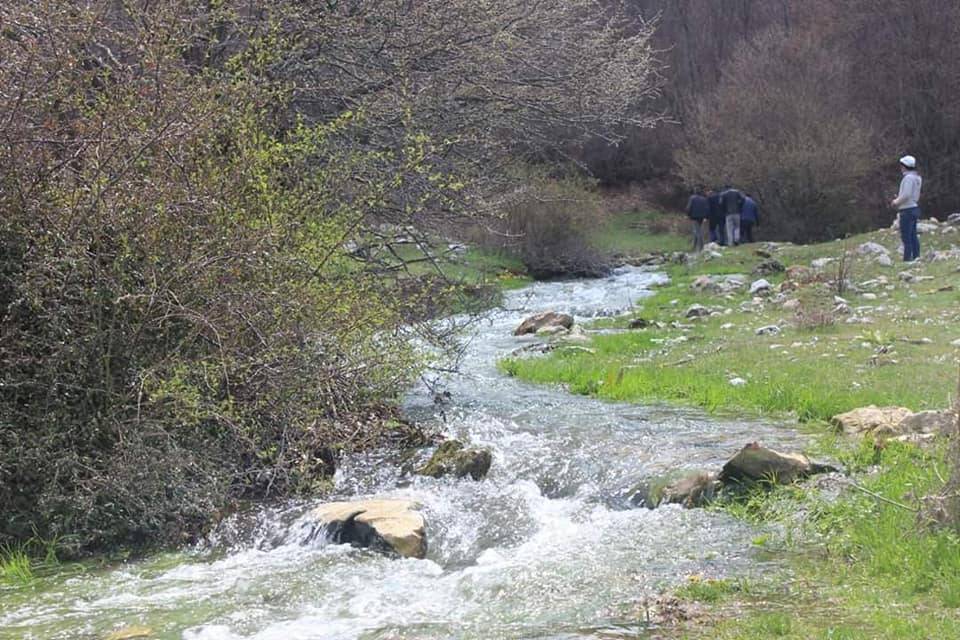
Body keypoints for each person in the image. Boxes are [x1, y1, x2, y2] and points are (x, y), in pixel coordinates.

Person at [890, 155, 922, 262]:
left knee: (906, 237)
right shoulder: (917, 178)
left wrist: (896, 202)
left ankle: (907, 260)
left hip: (907, 210)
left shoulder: (908, 178)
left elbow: (906, 195)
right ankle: (916, 257)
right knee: (913, 235)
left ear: (904, 166)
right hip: (914, 208)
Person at [686, 187, 710, 252]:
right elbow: (707, 208)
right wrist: (706, 216)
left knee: (697, 232)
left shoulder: (692, 198)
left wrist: (688, 215)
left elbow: (689, 207)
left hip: (694, 217)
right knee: (696, 231)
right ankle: (694, 246)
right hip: (702, 217)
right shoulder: (704, 199)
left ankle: (701, 246)